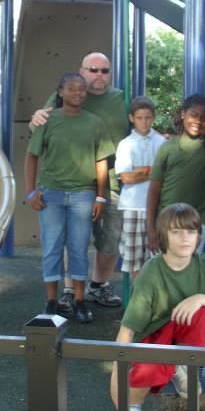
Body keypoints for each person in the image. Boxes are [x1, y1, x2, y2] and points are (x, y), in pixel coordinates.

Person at [108, 202, 205, 411]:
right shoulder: (152, 271)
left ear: (198, 236)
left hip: (185, 333)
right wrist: (119, 369)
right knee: (147, 370)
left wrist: (200, 298)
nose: (185, 238)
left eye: (191, 232)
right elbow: (128, 328)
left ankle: (181, 362)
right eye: (176, 231)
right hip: (155, 334)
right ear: (163, 236)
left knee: (201, 313)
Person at [29, 51, 129, 311]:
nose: (98, 75)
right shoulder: (61, 97)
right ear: (81, 70)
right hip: (74, 184)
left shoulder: (121, 98)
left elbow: (141, 123)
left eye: (104, 71)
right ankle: (69, 290)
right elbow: (41, 124)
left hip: (114, 181)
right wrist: (35, 118)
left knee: (110, 238)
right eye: (92, 69)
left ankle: (98, 285)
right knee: (70, 238)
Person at [146, 94, 205, 251]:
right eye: (193, 115)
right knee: (165, 265)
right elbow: (154, 189)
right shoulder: (168, 147)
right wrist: (150, 227)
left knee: (188, 266)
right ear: (183, 114)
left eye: (204, 118)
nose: (198, 121)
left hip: (197, 220)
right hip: (167, 217)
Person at [114, 96, 167, 283]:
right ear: (131, 118)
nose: (144, 122)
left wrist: (139, 170)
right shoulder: (126, 144)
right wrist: (153, 171)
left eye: (147, 118)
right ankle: (140, 300)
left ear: (153, 118)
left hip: (158, 205)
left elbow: (166, 173)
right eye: (139, 118)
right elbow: (126, 178)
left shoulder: (161, 142)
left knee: (158, 255)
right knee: (134, 258)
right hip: (132, 205)